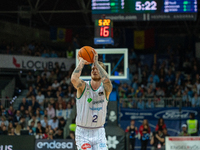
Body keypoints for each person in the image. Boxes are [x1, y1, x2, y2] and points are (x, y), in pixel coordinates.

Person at [71, 49, 112, 150]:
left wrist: (96, 63)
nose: (94, 70)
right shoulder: (83, 86)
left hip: (99, 132)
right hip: (83, 132)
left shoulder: (106, 89)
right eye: (92, 69)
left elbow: (107, 80)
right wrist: (81, 62)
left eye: (97, 69)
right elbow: (73, 79)